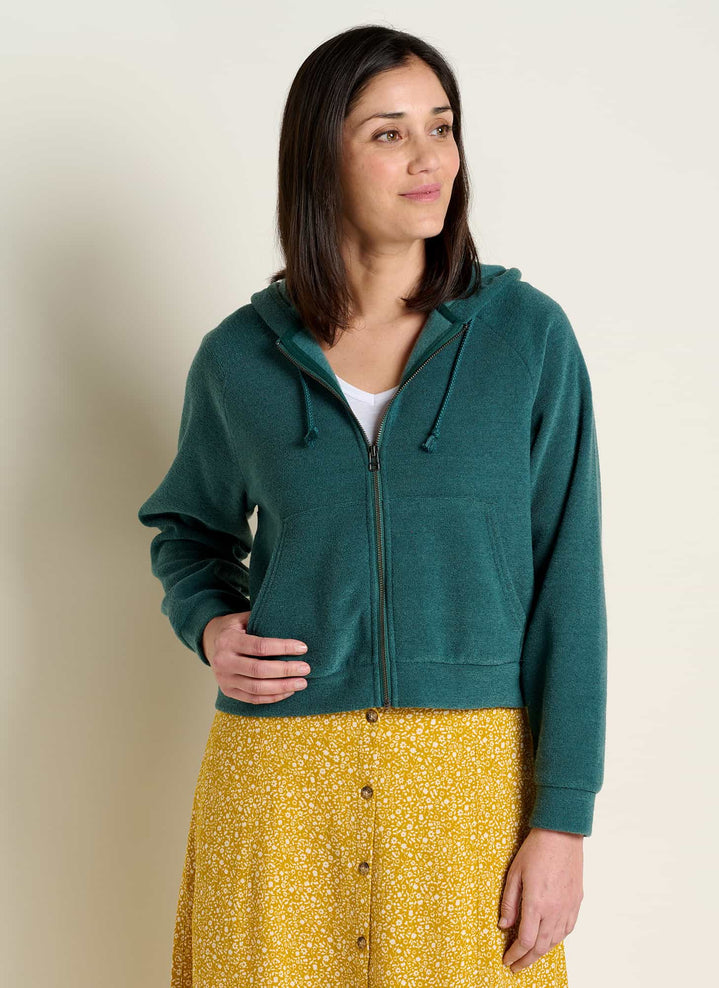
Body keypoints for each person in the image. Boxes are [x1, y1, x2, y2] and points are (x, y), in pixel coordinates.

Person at [137, 24, 607, 988]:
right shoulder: (239, 358)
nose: (429, 157)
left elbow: (571, 580)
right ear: (322, 157)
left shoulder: (526, 339)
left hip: (467, 788)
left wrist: (562, 819)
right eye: (389, 133)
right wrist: (211, 624)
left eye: (442, 126)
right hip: (279, 785)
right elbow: (188, 531)